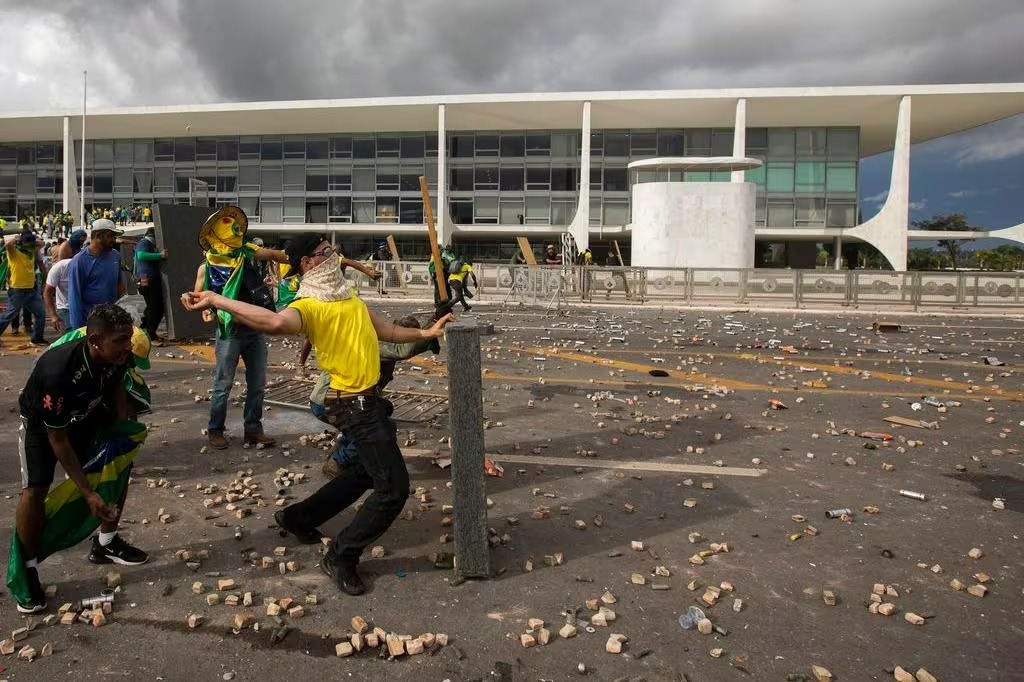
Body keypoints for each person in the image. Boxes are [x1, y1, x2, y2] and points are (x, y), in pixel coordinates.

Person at [182, 232, 453, 596]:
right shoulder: (308, 305)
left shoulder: (349, 297)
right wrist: (216, 299)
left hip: (368, 401)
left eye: (331, 249)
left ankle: (298, 518)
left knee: (364, 474)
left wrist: (426, 330)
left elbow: (385, 330)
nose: (332, 255)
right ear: (307, 263)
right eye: (324, 251)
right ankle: (341, 556)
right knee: (393, 490)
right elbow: (274, 322)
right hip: (351, 404)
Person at [8, 304, 149, 613]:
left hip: (85, 414)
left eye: (130, 338)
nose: (128, 346)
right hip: (43, 427)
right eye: (121, 340)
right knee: (35, 490)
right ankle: (28, 568)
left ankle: (106, 542)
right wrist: (87, 492)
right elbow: (58, 441)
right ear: (95, 340)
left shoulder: (119, 355)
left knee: (118, 462)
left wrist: (120, 428)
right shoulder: (58, 370)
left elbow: (115, 386)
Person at [197, 205, 287, 450]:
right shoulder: (206, 268)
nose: (234, 229)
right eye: (226, 225)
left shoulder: (247, 253)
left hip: (254, 329)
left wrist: (299, 256)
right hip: (230, 332)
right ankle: (216, 430)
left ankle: (253, 430)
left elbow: (273, 255)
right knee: (222, 384)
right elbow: (199, 296)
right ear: (215, 233)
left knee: (257, 383)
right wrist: (205, 309)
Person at [66, 219, 125, 329]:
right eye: (111, 236)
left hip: (111, 319)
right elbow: (74, 297)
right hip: (91, 322)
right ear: (98, 235)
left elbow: (119, 284)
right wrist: (78, 329)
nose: (114, 240)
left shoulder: (116, 256)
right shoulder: (79, 261)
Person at [0, 230, 46, 346]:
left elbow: (42, 243)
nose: (31, 246)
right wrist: (18, 238)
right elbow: (8, 244)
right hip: (17, 291)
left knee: (40, 314)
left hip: (31, 290)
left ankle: (37, 338)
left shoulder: (31, 252)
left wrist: (32, 238)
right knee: (8, 316)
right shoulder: (14, 253)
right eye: (28, 243)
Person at [134, 227, 168, 340]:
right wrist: (160, 255)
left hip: (150, 279)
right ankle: (150, 333)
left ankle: (144, 329)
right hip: (148, 279)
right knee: (156, 307)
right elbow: (141, 255)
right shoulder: (144, 243)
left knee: (153, 306)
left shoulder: (148, 244)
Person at [44, 254, 72, 332]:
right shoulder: (60, 267)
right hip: (66, 308)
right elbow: (47, 292)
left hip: (84, 308)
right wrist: (53, 315)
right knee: (72, 336)